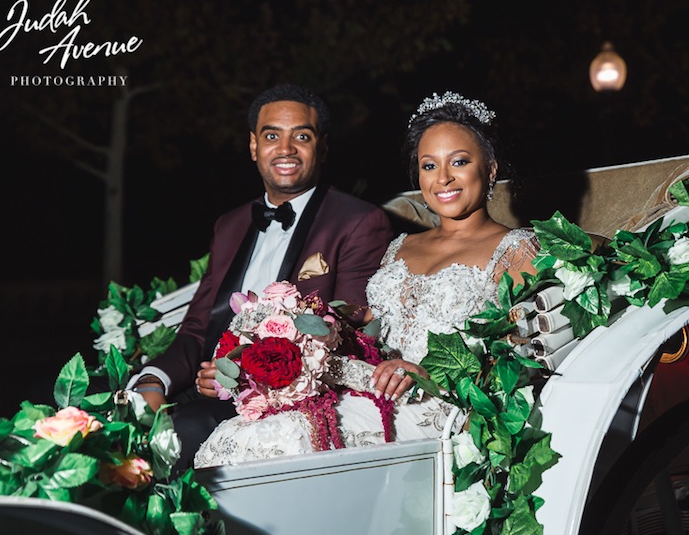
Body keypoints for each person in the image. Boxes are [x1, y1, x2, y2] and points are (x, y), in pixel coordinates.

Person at [193, 91, 539, 467]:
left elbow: (526, 353)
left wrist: (431, 375)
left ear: (489, 168)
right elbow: (363, 330)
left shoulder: (517, 249)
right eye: (428, 166)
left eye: (458, 162)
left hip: (439, 405)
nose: (443, 178)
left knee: (271, 445)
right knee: (237, 438)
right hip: (363, 390)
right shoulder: (400, 247)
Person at [129, 84, 394, 470]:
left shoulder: (358, 221)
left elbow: (347, 334)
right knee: (101, 408)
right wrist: (153, 381)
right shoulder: (230, 224)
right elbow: (196, 328)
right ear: (254, 146)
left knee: (178, 431)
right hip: (203, 385)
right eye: (272, 135)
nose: (285, 149)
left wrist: (239, 374)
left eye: (301, 136)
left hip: (282, 398)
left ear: (322, 146)